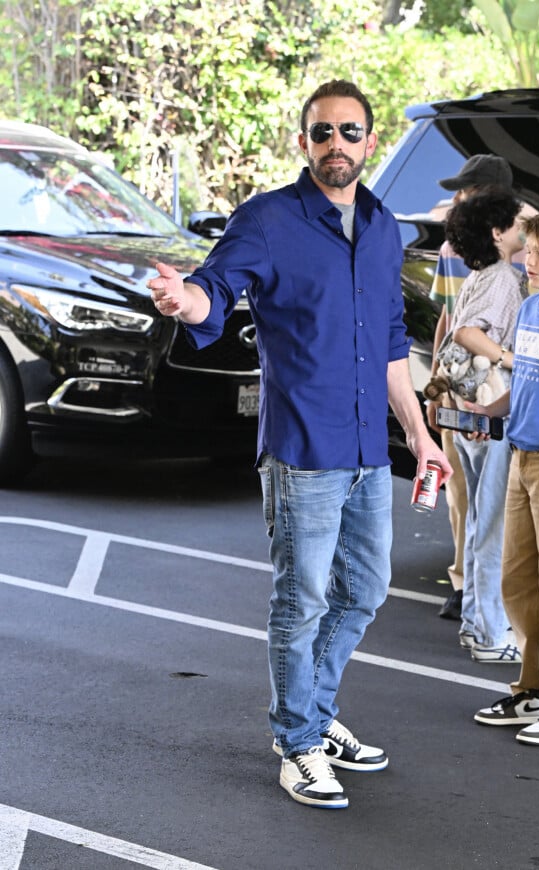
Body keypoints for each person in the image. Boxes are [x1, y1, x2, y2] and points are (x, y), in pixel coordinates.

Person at [147, 80, 451, 809]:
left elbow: (385, 345)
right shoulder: (269, 220)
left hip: (367, 452)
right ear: (303, 142)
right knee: (302, 599)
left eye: (349, 132)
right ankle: (298, 742)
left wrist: (420, 434)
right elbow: (213, 292)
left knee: (364, 590)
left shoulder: (382, 228)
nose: (335, 145)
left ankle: (313, 710)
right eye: (322, 133)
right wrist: (184, 298)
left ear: (370, 142)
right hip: (302, 450)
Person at [472, 205, 539, 744]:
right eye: (528, 249)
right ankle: (532, 691)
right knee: (519, 583)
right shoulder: (534, 307)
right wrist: (493, 413)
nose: (529, 259)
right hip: (522, 457)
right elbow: (533, 380)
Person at [435, 190, 528, 661]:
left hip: (471, 407)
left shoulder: (477, 276)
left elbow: (450, 330)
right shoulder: (504, 280)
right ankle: (492, 633)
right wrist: (511, 358)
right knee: (495, 522)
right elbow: (466, 333)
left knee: (478, 519)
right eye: (516, 221)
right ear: (497, 232)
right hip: (495, 407)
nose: (524, 228)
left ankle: (476, 621)